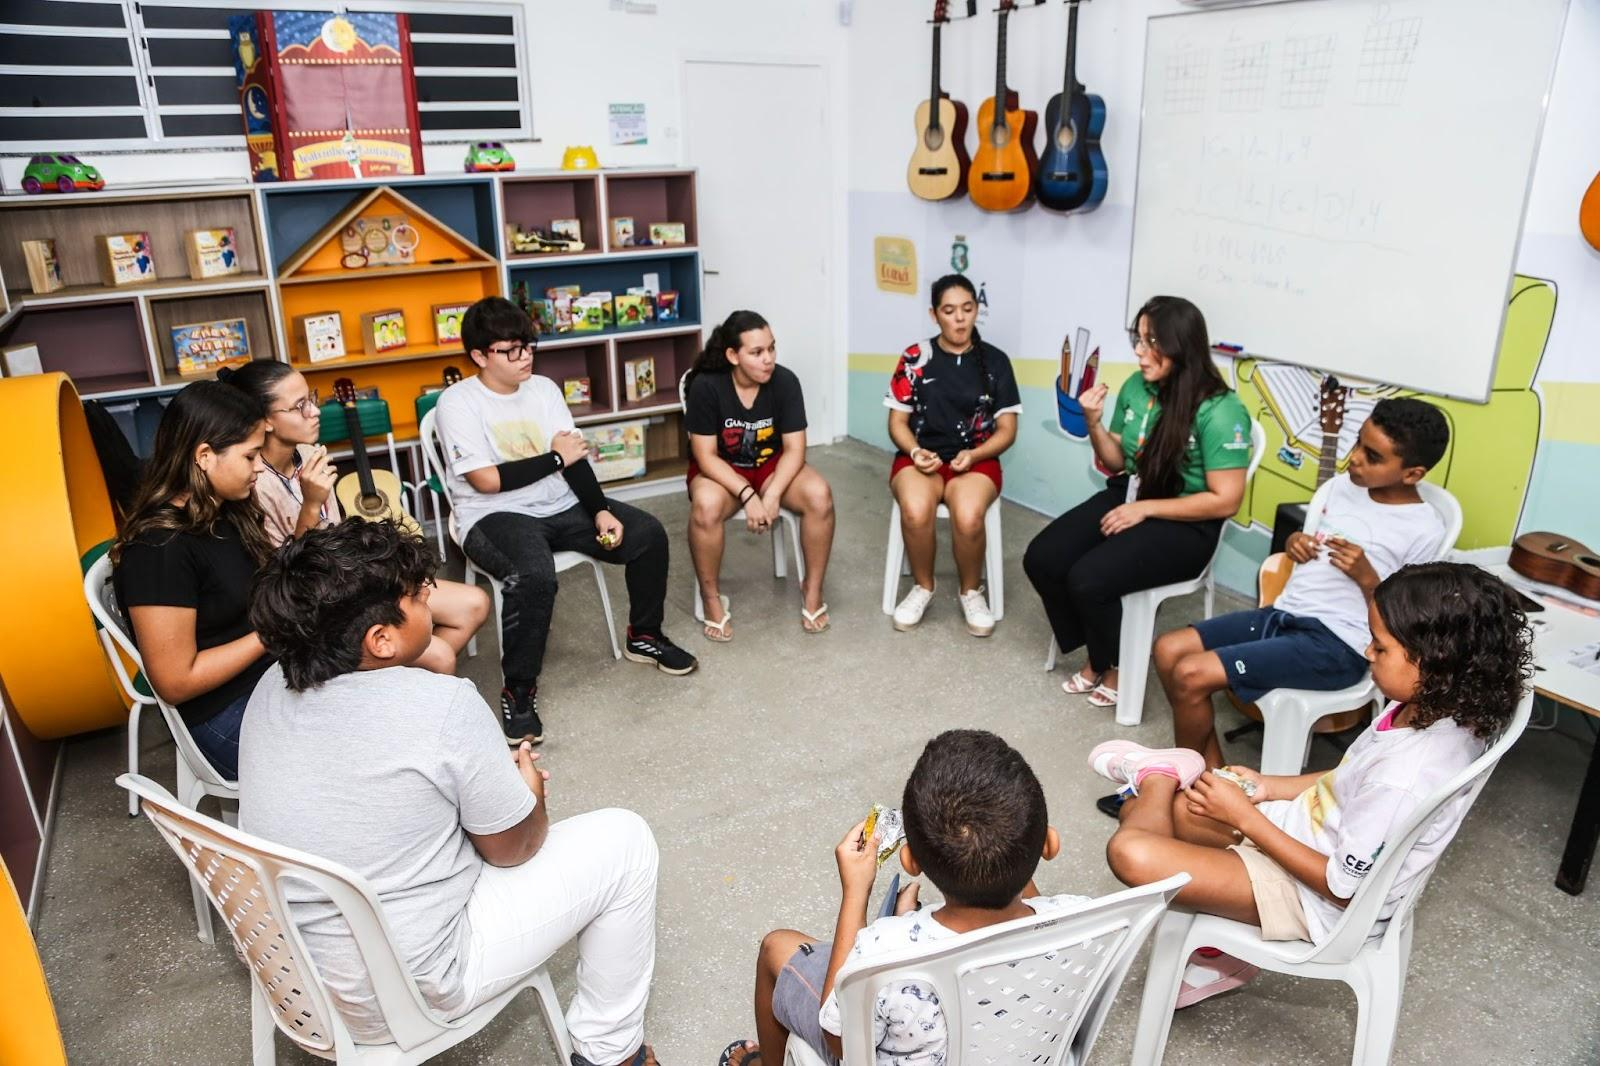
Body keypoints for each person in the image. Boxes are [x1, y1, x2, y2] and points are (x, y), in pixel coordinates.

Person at [240, 520, 660, 1065]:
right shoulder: (442, 705)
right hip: (407, 990)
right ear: (381, 639)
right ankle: (613, 1055)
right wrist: (527, 793)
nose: (431, 603)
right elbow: (514, 850)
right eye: (418, 597)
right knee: (626, 842)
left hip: (294, 980)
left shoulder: (269, 687)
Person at [1091, 562, 1531, 1006]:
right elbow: (1351, 778)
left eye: (1380, 648)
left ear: (1434, 661)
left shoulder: (1408, 775)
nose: (1366, 652)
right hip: (1304, 835)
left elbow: (1344, 890)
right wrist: (1267, 786)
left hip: (1314, 900)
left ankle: (1159, 776)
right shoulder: (1429, 707)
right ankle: (1163, 795)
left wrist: (1243, 816)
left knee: (1132, 850)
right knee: (1150, 814)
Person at [722, 730, 1085, 1066]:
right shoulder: (1082, 923)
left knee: (776, 946)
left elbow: (842, 1042)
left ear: (910, 862)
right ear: (1049, 845)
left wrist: (855, 893)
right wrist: (1009, 850)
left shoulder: (883, 951)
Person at [434, 296, 696, 747]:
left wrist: (599, 508)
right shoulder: (457, 403)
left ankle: (644, 636)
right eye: (511, 350)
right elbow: (486, 480)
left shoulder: (544, 389)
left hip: (560, 504)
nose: (524, 357)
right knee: (534, 576)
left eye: (529, 346)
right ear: (479, 355)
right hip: (492, 516)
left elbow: (573, 463)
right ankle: (518, 691)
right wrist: (555, 456)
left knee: (649, 534)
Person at [1148, 398, 1450, 786]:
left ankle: (1181, 787)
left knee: (1191, 673)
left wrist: (1368, 578)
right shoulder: (1341, 487)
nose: (1354, 459)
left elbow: (1412, 624)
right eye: (1357, 443)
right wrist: (1294, 543)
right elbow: (1310, 544)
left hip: (1338, 644)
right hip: (1283, 614)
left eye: (1371, 456)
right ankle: (1215, 785)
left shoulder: (1424, 529)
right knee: (1168, 649)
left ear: (1412, 474)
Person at [1023, 295, 1253, 709]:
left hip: (1187, 522)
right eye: (1138, 339)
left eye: (1151, 342)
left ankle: (1114, 666)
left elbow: (1225, 501)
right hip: (1132, 493)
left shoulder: (1221, 410)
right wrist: (1093, 422)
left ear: (1180, 346)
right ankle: (1099, 650)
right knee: (1043, 557)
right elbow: (1116, 462)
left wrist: (1145, 509)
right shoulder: (1135, 387)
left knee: (1088, 577)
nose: (1139, 352)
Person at [219, 361, 491, 677]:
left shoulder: (308, 452)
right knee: (441, 656)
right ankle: (391, 688)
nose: (315, 412)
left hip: (350, 578)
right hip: (321, 603)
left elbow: (335, 534)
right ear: (265, 420)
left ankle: (389, 681)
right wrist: (310, 505)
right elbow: (288, 583)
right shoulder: (252, 481)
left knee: (475, 603)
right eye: (299, 406)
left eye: (312, 398)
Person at [111, 381, 274, 780]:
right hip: (222, 714)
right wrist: (269, 634)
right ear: (204, 455)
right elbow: (175, 681)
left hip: (266, 679)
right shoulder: (159, 548)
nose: (259, 467)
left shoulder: (226, 512)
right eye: (251, 455)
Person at [684, 310, 834, 640]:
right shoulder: (706, 386)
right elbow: (705, 457)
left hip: (770, 466)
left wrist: (773, 493)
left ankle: (812, 590)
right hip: (721, 470)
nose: (768, 360)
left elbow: (795, 449)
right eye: (756, 352)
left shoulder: (785, 381)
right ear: (732, 355)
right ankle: (711, 600)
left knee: (820, 495)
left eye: (771, 349)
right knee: (706, 507)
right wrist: (748, 495)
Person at [885, 275, 1021, 637]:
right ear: (934, 315)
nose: (960, 319)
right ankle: (923, 587)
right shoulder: (915, 357)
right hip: (919, 458)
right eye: (949, 311)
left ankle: (970, 591)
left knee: (969, 514)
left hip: (976, 460)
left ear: (977, 310)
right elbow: (897, 422)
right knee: (914, 510)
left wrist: (974, 455)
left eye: (967, 309)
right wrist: (914, 451)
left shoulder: (995, 362)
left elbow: (1007, 431)